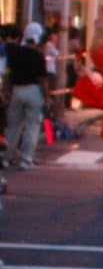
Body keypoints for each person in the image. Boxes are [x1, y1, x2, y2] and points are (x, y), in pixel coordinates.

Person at [3, 21, 50, 169]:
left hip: (17, 90)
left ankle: (7, 157)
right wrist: (47, 97)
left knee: (13, 126)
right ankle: (26, 159)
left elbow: (7, 75)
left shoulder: (15, 53)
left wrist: (6, 91)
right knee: (32, 125)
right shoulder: (38, 56)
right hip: (34, 91)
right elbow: (43, 80)